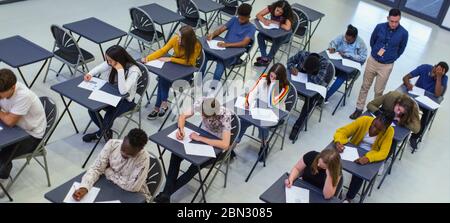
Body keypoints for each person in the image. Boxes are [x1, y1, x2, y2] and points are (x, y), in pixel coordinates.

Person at [153, 97, 232, 203]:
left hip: (215, 147)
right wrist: (180, 130)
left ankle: (166, 194)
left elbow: (225, 144)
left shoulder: (225, 115)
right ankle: (166, 196)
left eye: (206, 115)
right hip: (199, 137)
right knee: (175, 155)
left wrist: (200, 138)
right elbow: (182, 116)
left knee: (194, 168)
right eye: (202, 113)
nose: (203, 116)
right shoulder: (201, 102)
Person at [350, 8, 408, 119]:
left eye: (397, 22)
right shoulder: (379, 27)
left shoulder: (404, 33)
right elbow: (372, 41)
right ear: (388, 18)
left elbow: (401, 49)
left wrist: (392, 57)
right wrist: (376, 52)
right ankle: (359, 108)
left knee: (379, 91)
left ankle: (373, 111)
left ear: (399, 20)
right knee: (365, 86)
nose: (394, 24)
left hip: (386, 66)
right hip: (373, 61)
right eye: (392, 21)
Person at [73, 129, 151, 202]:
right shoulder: (112, 144)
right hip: (110, 187)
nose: (124, 154)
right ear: (124, 139)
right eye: (123, 150)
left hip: (134, 196)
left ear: (140, 150)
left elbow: (132, 187)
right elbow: (96, 168)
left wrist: (107, 170)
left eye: (129, 155)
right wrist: (84, 187)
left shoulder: (143, 158)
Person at [82, 45, 141, 143]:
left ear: (118, 59)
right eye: (107, 60)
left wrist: (120, 70)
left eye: (110, 60)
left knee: (109, 115)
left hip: (126, 101)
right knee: (92, 109)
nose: (108, 63)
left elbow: (123, 91)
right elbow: (100, 68)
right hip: (111, 95)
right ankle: (106, 131)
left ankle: (99, 133)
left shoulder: (134, 71)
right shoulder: (111, 63)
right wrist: (90, 74)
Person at [143, 25, 202, 120]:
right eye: (178, 36)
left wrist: (171, 59)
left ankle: (157, 107)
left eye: (181, 38)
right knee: (162, 78)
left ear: (187, 40)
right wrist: (147, 58)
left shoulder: (196, 45)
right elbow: (163, 50)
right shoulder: (175, 39)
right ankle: (163, 103)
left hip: (186, 72)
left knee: (162, 80)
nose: (178, 38)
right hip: (173, 67)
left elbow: (189, 62)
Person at [334, 111, 395, 202]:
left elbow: (384, 152)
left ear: (385, 129)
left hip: (371, 155)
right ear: (374, 119)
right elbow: (342, 131)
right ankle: (336, 189)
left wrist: (368, 158)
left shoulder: (390, 131)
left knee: (359, 174)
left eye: (379, 130)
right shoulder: (364, 120)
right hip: (354, 149)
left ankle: (349, 198)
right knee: (333, 162)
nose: (374, 130)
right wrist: (338, 141)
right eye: (374, 125)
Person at [0, 69, 47, 185]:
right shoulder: (3, 88)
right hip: (14, 128)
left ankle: (3, 178)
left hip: (30, 135)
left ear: (12, 88)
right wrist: (5, 114)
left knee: (2, 155)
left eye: (1, 94)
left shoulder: (24, 96)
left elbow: (10, 121)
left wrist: (4, 114)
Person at [235, 63, 290, 160]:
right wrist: (248, 102)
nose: (272, 78)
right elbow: (253, 92)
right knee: (242, 121)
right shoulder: (264, 78)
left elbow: (273, 102)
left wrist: (273, 86)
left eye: (275, 78)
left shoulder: (285, 88)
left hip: (274, 113)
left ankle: (264, 144)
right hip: (258, 109)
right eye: (271, 75)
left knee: (263, 126)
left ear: (280, 79)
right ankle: (233, 145)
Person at [201, 3, 256, 84]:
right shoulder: (234, 19)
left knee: (220, 65)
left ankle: (213, 87)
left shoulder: (252, 28)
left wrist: (227, 45)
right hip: (223, 49)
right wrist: (212, 35)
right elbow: (220, 30)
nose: (240, 21)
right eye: (239, 18)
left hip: (234, 54)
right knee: (203, 56)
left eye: (243, 19)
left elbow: (244, 44)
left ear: (249, 17)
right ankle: (198, 80)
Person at [287, 51, 333, 140]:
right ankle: (279, 115)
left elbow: (317, 81)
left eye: (309, 71)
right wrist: (292, 67)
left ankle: (297, 126)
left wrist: (305, 74)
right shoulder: (302, 55)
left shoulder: (324, 64)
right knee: (286, 88)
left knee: (310, 101)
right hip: (300, 82)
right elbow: (289, 61)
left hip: (316, 88)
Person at [402, 62, 448, 150]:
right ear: (434, 66)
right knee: (403, 106)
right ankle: (402, 128)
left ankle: (414, 137)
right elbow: (405, 77)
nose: (436, 73)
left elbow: (438, 94)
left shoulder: (444, 78)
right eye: (436, 70)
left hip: (428, 102)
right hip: (415, 97)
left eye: (440, 73)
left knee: (426, 116)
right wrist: (408, 84)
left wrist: (438, 78)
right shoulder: (424, 68)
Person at [326, 24, 367, 101]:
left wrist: (348, 55)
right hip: (338, 63)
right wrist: (333, 48)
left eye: (349, 40)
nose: (346, 41)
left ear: (354, 38)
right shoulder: (342, 36)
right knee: (327, 69)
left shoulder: (361, 44)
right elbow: (333, 43)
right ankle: (319, 92)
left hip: (349, 69)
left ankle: (326, 97)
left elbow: (363, 58)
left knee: (341, 77)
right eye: (346, 39)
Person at [254, 0, 293, 67]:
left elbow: (287, 28)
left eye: (281, 12)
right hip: (273, 32)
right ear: (275, 7)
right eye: (277, 10)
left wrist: (275, 22)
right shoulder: (271, 7)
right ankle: (264, 57)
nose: (278, 13)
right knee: (260, 35)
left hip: (284, 36)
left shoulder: (287, 15)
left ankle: (268, 59)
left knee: (277, 39)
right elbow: (258, 15)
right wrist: (264, 21)